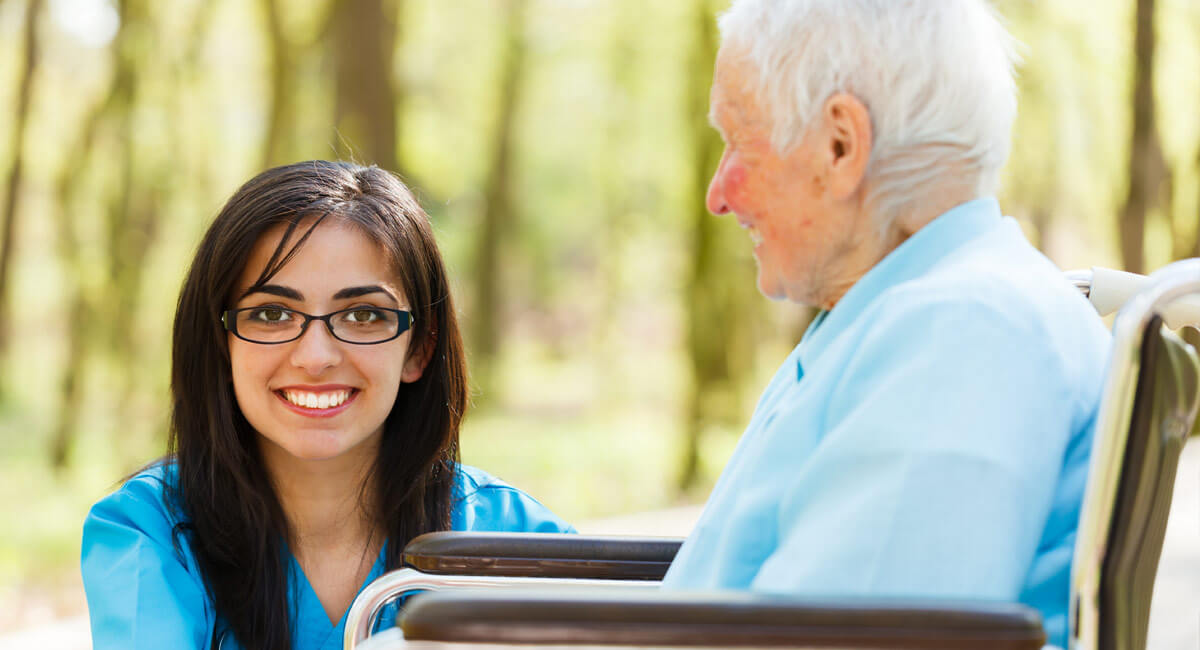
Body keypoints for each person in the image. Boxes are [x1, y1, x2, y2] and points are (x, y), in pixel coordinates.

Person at [659, 2, 1109, 648]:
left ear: (841, 144)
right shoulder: (906, 315)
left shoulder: (965, 341)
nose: (719, 193)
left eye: (738, 142)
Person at [81, 161, 574, 650]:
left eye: (363, 315)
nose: (315, 358)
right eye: (271, 313)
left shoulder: (502, 534)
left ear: (419, 348)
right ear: (219, 342)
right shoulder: (150, 530)